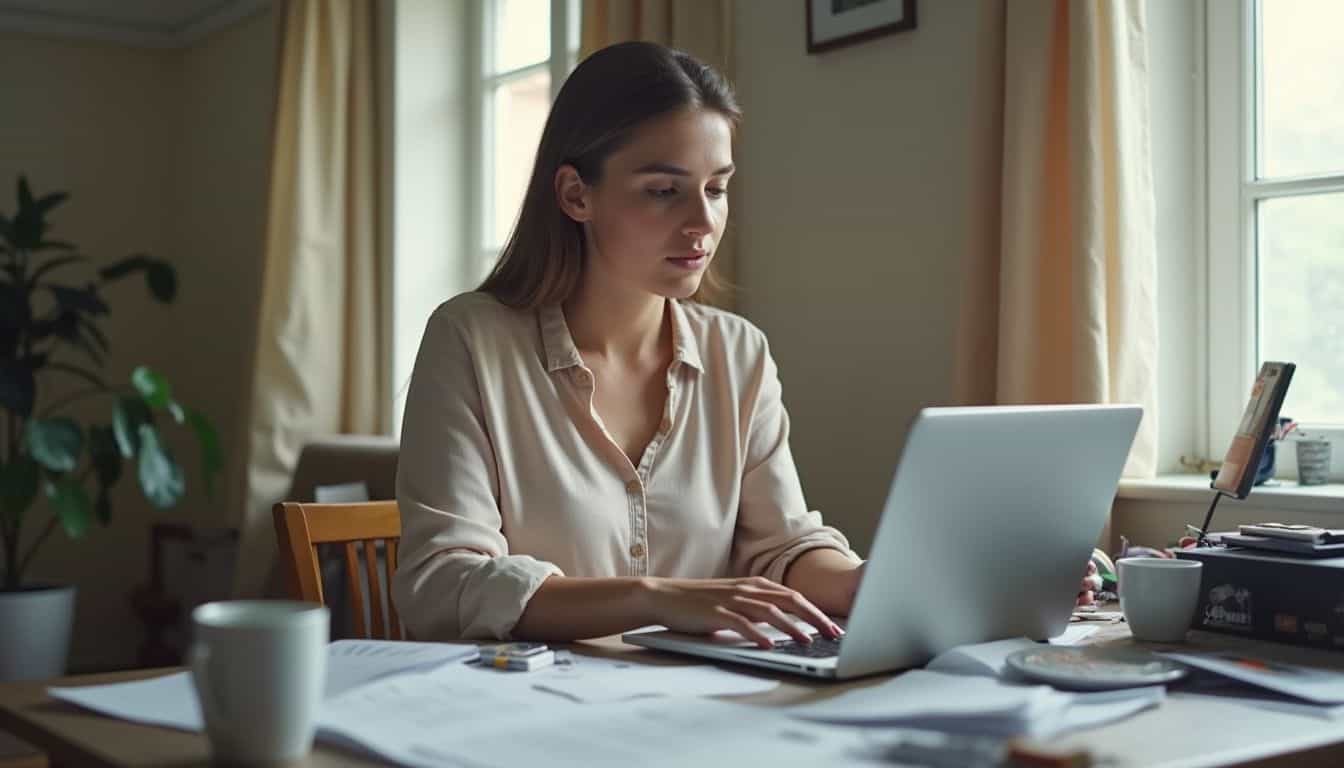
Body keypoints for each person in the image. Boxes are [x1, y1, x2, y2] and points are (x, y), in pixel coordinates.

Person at [392, 42, 1093, 650]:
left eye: (717, 189)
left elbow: (781, 547)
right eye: (664, 191)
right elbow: (443, 583)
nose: (703, 222)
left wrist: (882, 585)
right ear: (576, 195)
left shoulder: (738, 354)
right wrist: (655, 597)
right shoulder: (471, 341)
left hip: (708, 708)